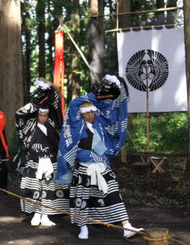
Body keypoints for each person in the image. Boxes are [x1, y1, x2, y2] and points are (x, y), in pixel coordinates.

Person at [54, 74, 143, 239]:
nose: (90, 115)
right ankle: (84, 228)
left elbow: (113, 106)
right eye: (86, 112)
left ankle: (127, 226)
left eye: (92, 111)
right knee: (82, 199)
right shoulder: (76, 126)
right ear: (81, 113)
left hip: (102, 165)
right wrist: (90, 96)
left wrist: (115, 87)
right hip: (83, 168)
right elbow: (74, 103)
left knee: (113, 193)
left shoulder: (100, 122)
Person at [16, 79, 69, 227]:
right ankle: (36, 213)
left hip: (50, 160)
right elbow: (19, 114)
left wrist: (50, 92)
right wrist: (36, 102)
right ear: (36, 114)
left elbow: (57, 111)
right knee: (35, 188)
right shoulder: (29, 124)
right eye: (40, 115)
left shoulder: (52, 124)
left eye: (45, 115)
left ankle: (45, 214)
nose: (42, 118)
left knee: (49, 188)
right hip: (35, 161)